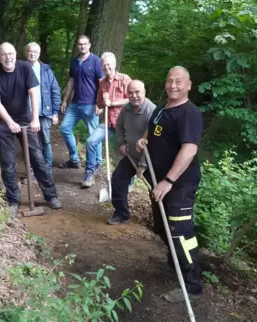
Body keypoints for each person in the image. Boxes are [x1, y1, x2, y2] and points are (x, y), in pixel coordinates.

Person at [136, 66, 203, 303]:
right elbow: (154, 129)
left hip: (179, 184)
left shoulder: (189, 113)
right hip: (158, 180)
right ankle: (175, 262)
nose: (173, 85)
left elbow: (189, 149)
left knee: (181, 234)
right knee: (163, 228)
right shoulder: (163, 108)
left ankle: (192, 285)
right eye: (169, 81)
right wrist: (145, 138)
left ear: (188, 85)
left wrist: (169, 180)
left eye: (178, 82)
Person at [0, 42, 62, 215]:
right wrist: (9, 122)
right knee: (7, 161)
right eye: (4, 54)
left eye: (11, 54)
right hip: (3, 121)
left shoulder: (25, 68)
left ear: (15, 54)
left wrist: (35, 118)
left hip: (25, 119)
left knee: (37, 157)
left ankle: (51, 196)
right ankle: (13, 200)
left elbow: (34, 93)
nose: (8, 57)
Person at [107, 80, 156, 224]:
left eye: (137, 92)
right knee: (118, 180)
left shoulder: (152, 111)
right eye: (130, 92)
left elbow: (154, 141)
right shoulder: (126, 108)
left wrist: (143, 165)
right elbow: (119, 126)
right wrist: (122, 143)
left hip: (151, 160)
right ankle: (122, 214)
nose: (134, 95)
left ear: (144, 92)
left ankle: (158, 222)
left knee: (156, 190)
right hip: (132, 156)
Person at [81, 52, 131, 188]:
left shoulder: (124, 79)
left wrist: (113, 103)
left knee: (128, 152)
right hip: (108, 124)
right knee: (91, 141)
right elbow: (99, 104)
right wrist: (103, 101)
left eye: (108, 64)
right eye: (103, 65)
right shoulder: (102, 83)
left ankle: (129, 182)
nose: (106, 67)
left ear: (114, 64)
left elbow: (131, 99)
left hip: (124, 125)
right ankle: (90, 173)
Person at [58, 35, 103, 172]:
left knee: (94, 134)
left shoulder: (96, 61)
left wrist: (99, 103)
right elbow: (71, 82)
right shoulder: (74, 62)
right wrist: (65, 100)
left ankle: (97, 163)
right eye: (80, 44)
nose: (82, 46)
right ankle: (74, 159)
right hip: (75, 103)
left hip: (91, 105)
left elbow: (102, 83)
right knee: (64, 128)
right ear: (77, 46)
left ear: (89, 45)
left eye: (85, 44)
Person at [24, 42, 61, 179]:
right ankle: (34, 170)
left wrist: (55, 112)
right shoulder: (21, 68)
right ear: (26, 52)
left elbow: (55, 90)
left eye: (35, 52)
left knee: (45, 141)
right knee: (32, 144)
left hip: (45, 112)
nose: (32, 54)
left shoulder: (46, 70)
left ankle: (47, 170)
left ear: (39, 54)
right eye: (30, 51)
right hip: (27, 112)